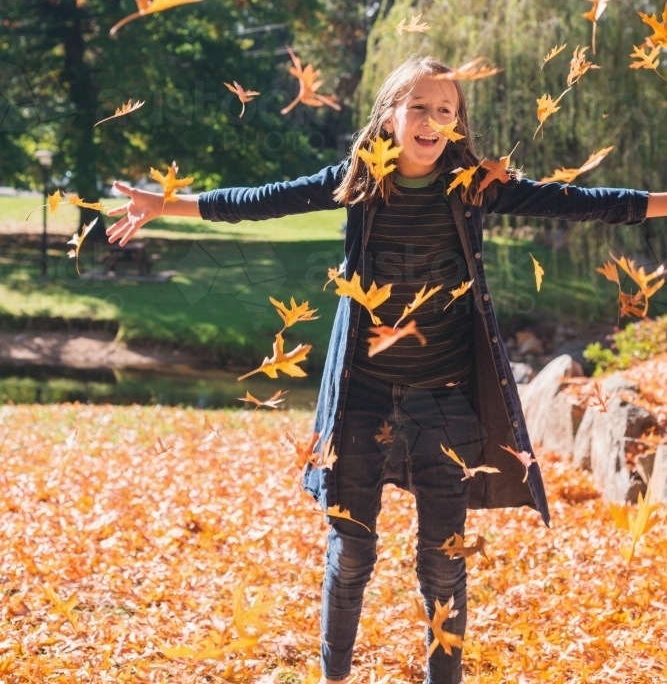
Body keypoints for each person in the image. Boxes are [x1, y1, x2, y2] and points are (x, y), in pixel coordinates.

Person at [106, 54, 666, 684]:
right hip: (363, 397)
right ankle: (334, 676)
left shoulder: (473, 185)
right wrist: (165, 206)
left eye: (446, 110)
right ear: (390, 116)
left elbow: (581, 202)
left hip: (447, 401)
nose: (432, 120)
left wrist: (663, 204)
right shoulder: (358, 181)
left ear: (458, 124)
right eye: (419, 107)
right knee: (351, 554)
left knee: (443, 563)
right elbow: (259, 201)